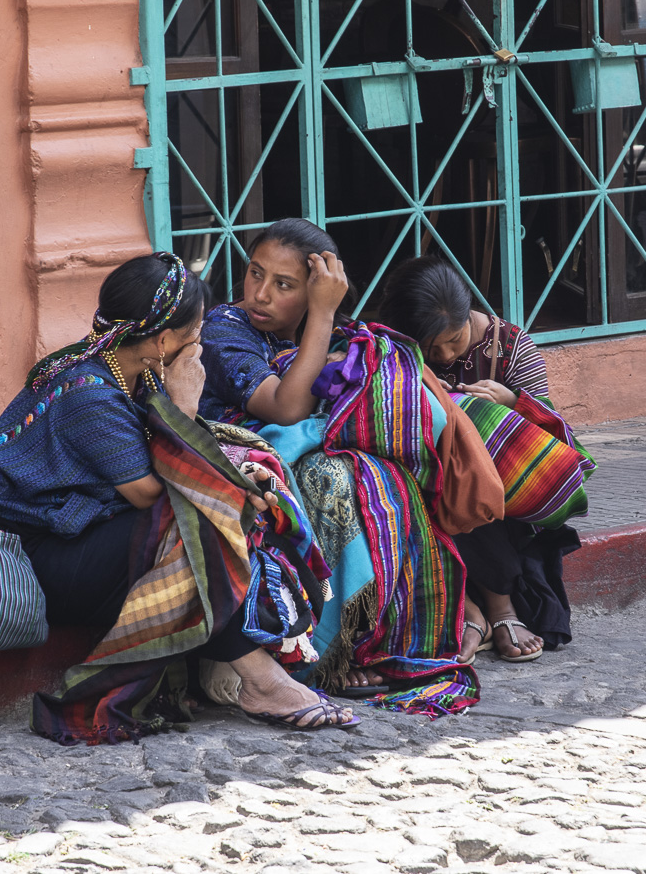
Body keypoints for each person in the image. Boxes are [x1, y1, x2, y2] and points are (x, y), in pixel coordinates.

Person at [0, 251, 356, 742]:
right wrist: (184, 405)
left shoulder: (136, 370)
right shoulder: (87, 392)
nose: (199, 339)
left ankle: (248, 671)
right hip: (40, 556)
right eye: (194, 330)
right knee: (191, 529)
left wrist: (240, 477)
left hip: (92, 532)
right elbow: (148, 491)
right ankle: (262, 682)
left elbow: (167, 457)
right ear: (163, 339)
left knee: (241, 506)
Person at [199, 219, 503, 716]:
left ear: (319, 288)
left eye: (283, 284)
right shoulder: (225, 328)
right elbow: (285, 408)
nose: (260, 294)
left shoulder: (339, 332)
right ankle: (326, 652)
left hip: (301, 450)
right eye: (255, 273)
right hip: (240, 461)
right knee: (332, 480)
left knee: (385, 477)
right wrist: (321, 313)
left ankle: (375, 641)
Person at [378, 256, 593, 662]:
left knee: (469, 471)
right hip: (423, 487)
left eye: (454, 340)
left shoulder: (513, 348)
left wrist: (513, 402)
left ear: (468, 315)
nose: (444, 355)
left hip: (500, 504)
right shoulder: (397, 348)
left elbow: (545, 439)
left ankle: (496, 609)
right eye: (431, 348)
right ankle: (477, 611)